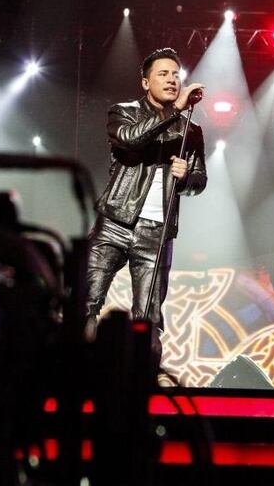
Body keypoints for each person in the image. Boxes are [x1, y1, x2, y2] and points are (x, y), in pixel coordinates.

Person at [84, 47, 207, 361]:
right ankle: (76, 372)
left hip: (157, 231)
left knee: (149, 317)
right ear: (145, 82)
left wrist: (187, 177)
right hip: (114, 222)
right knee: (86, 300)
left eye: (175, 75)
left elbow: (199, 182)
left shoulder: (191, 131)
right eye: (163, 74)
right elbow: (130, 140)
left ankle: (143, 384)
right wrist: (175, 110)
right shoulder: (123, 112)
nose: (171, 80)